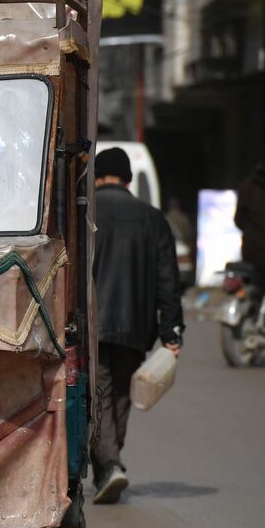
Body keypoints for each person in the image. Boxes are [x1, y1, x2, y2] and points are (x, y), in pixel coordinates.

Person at [90, 147, 185, 504]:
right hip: (135, 326)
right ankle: (108, 469)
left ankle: (110, 464)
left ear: (97, 176)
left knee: (97, 395)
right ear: (128, 179)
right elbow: (167, 281)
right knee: (120, 396)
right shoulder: (153, 218)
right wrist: (170, 331)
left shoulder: (87, 213)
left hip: (92, 323)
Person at [235, 160, 265, 279]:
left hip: (252, 251)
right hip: (257, 252)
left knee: (254, 290)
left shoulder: (246, 187)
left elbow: (238, 220)